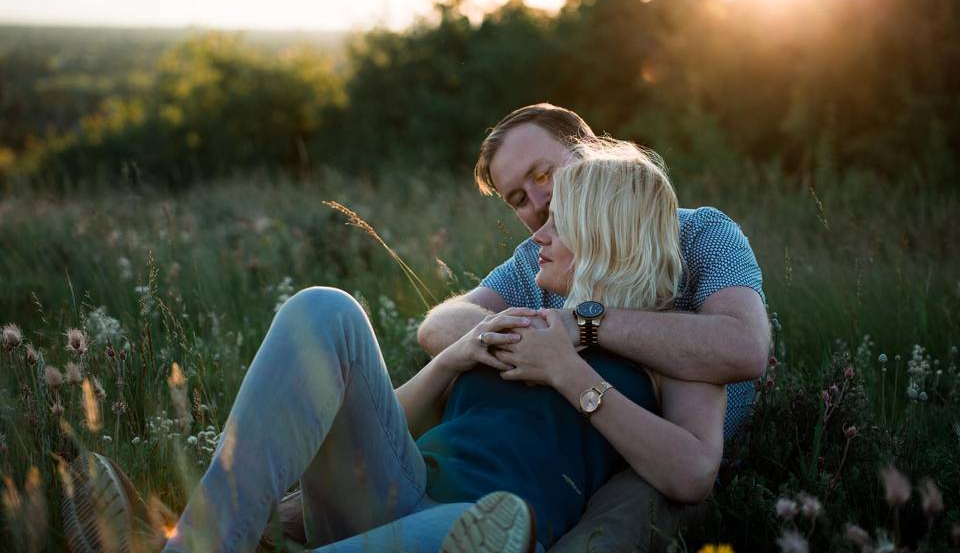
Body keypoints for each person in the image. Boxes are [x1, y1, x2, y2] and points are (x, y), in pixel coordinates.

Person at [66, 138, 730, 553]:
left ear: (604, 233)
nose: (536, 235)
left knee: (479, 538)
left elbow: (692, 472)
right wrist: (449, 361)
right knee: (323, 309)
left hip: (487, 527)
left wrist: (570, 375)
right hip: (398, 487)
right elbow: (387, 421)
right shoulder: (523, 312)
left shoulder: (669, 349)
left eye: (557, 223)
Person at [417, 103, 769, 551]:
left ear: (589, 151)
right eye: (519, 199)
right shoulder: (541, 257)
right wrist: (535, 340)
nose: (538, 204)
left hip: (657, 458)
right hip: (565, 447)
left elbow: (743, 347)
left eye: (542, 175)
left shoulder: (700, 235)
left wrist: (583, 326)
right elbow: (442, 325)